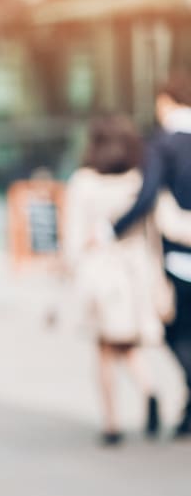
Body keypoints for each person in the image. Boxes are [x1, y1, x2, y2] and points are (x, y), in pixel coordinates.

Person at [63, 115, 165, 446]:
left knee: (105, 348)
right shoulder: (137, 180)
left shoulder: (84, 182)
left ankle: (111, 422)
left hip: (100, 275)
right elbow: (153, 233)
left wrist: (70, 268)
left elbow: (74, 237)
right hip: (134, 271)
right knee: (125, 342)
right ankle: (149, 389)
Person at [111, 69, 191, 438]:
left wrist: (112, 229)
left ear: (165, 101)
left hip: (178, 253)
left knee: (177, 332)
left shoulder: (163, 144)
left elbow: (146, 197)